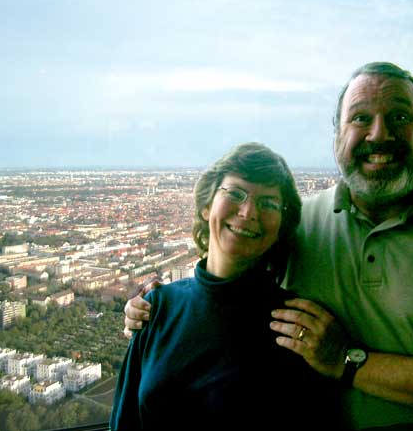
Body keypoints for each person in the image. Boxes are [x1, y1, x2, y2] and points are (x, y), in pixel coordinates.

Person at [123, 62, 413, 430]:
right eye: (360, 118)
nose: (379, 134)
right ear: (337, 134)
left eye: (401, 117)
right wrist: (158, 305)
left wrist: (347, 361)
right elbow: (230, 273)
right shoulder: (302, 223)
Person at [110, 142, 339, 430]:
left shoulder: (298, 328)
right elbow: (125, 421)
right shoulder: (157, 307)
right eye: (235, 193)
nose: (248, 211)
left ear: (282, 225)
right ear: (207, 206)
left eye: (268, 203)